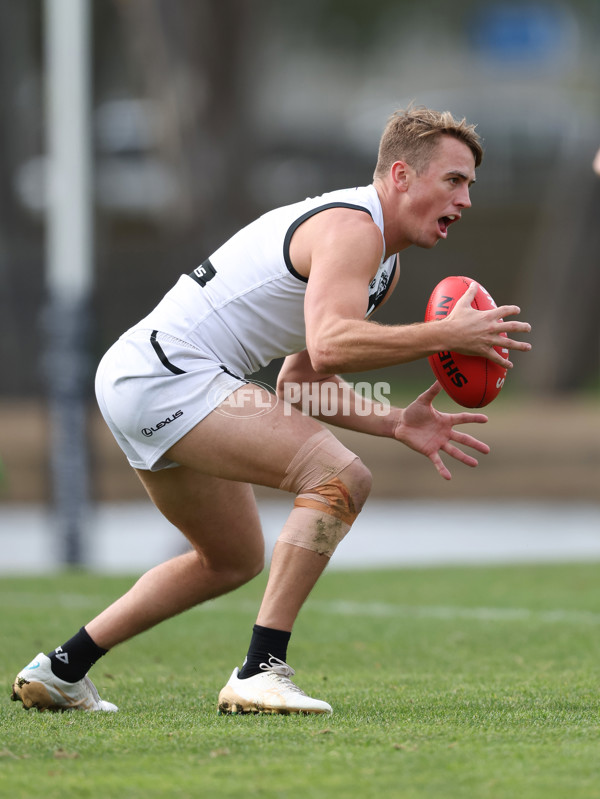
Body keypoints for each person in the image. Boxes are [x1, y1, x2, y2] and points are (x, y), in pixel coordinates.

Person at [12, 106, 531, 715]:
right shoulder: (353, 228)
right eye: (454, 180)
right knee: (340, 478)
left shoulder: (381, 266)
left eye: (470, 184)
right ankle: (260, 670)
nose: (466, 199)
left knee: (231, 558)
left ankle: (62, 669)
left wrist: (393, 421)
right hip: (167, 376)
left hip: (147, 376)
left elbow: (301, 376)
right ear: (401, 176)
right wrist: (442, 336)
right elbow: (335, 342)